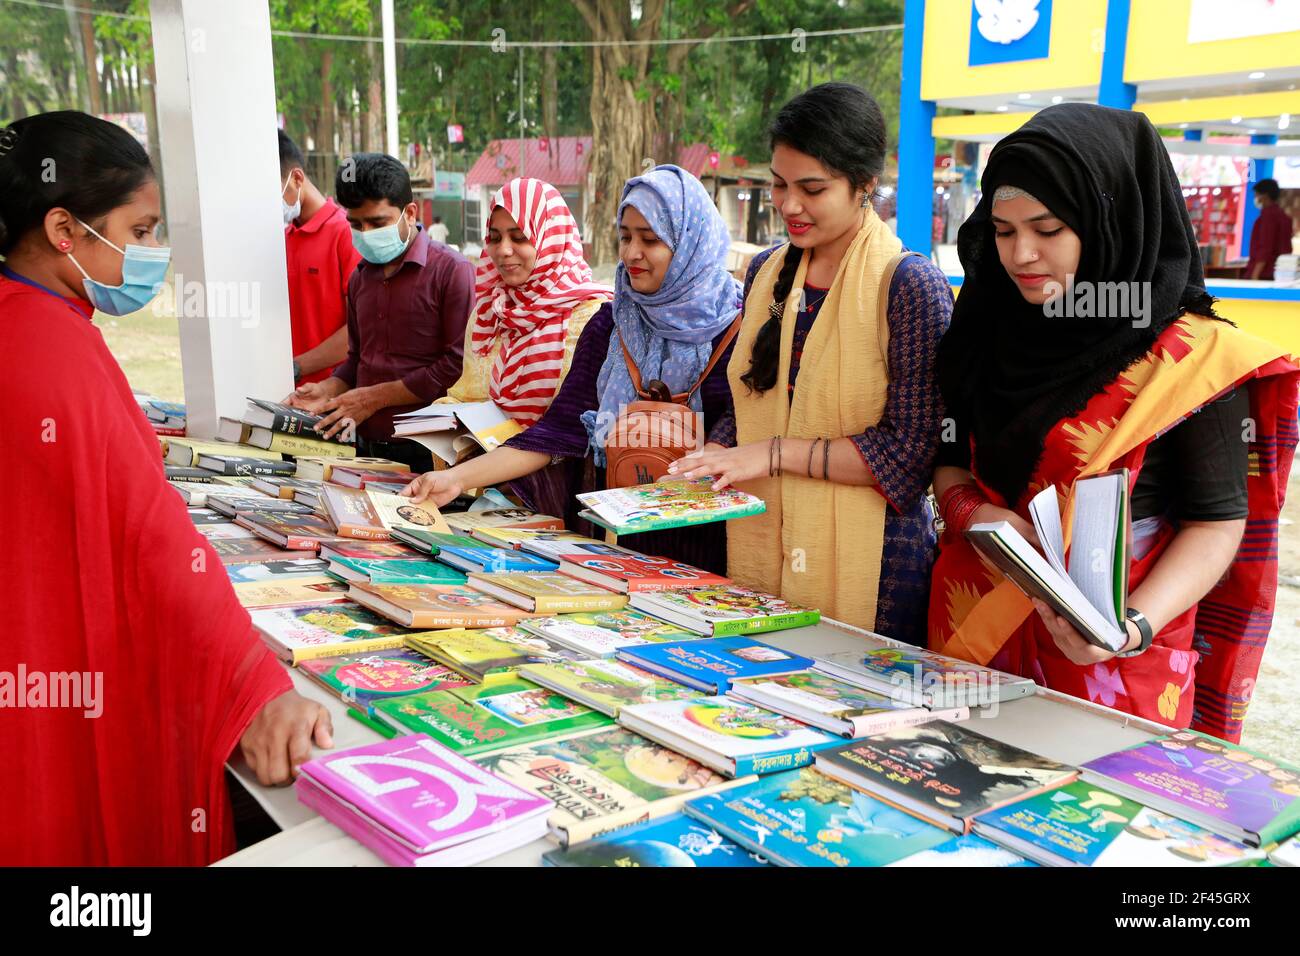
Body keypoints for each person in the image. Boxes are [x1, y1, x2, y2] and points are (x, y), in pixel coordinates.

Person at [0, 111, 332, 865]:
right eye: (140, 230)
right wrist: (255, 682)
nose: (152, 253)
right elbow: (152, 541)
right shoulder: (59, 351)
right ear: (63, 229)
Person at [929, 103, 1299, 741]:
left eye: (1047, 229)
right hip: (972, 637)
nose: (1022, 254)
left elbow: (1216, 524)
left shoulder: (1194, 358)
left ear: (1110, 221)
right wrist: (969, 511)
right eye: (1003, 229)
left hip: (1113, 663)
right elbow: (949, 455)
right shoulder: (988, 329)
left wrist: (1129, 629)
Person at [671, 83, 954, 644]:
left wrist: (771, 456)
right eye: (779, 184)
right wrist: (720, 453)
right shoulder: (766, 273)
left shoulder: (909, 286)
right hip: (761, 537)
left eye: (812, 188)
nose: (789, 205)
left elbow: (908, 456)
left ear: (865, 186)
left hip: (874, 567)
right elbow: (755, 397)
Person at [404, 164, 741, 572]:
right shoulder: (612, 324)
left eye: (650, 240)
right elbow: (556, 433)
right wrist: (454, 479)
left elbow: (747, 418)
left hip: (712, 541)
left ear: (690, 242)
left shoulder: (739, 324)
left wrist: (710, 455)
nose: (631, 253)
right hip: (617, 541)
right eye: (625, 237)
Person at [286, 153, 475, 471]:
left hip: (429, 456)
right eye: (356, 224)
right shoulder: (360, 277)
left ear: (409, 212)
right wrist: (326, 389)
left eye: (377, 223)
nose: (366, 233)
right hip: (365, 449)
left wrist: (374, 397)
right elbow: (358, 360)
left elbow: (455, 367)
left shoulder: (452, 271)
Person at [438, 177, 612, 423]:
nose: (503, 250)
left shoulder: (592, 316)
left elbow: (587, 417)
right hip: (485, 460)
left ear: (550, 238)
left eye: (519, 237)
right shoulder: (489, 314)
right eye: (495, 238)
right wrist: (441, 417)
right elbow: (468, 396)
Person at [278, 129, 361, 385]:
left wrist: (296, 367)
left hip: (333, 394)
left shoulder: (345, 233)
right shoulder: (282, 239)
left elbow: (359, 330)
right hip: (286, 395)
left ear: (297, 179)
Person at [1245, 178, 1295, 281]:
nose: (1255, 197)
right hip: (1281, 272)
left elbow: (1266, 247)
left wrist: (1255, 275)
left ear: (1265, 195)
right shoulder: (1284, 216)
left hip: (1264, 273)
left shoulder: (1268, 216)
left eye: (1257, 194)